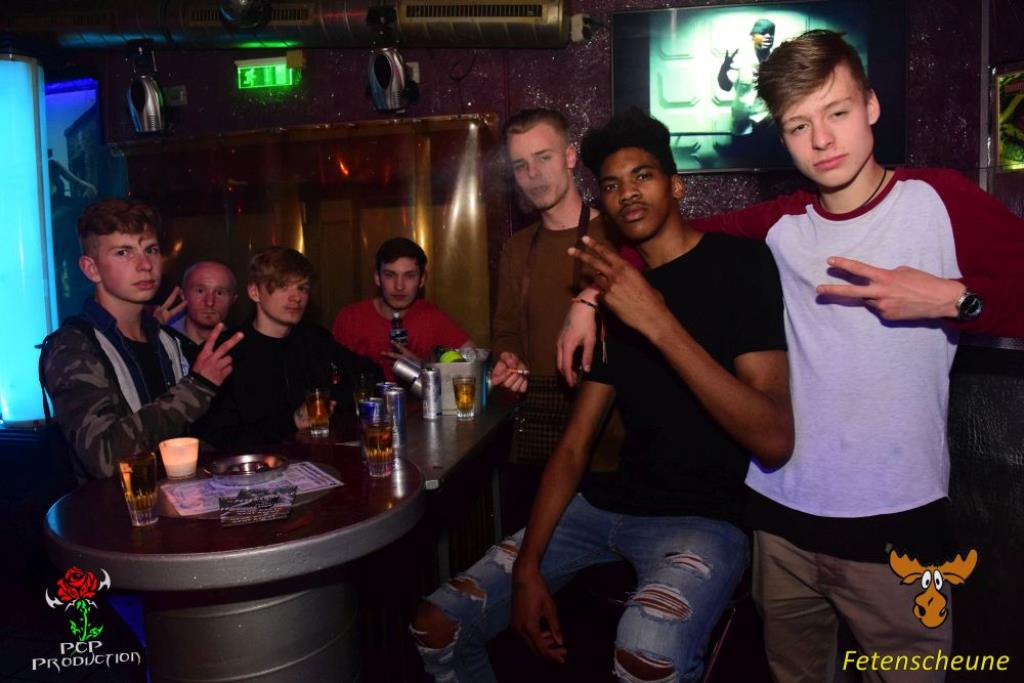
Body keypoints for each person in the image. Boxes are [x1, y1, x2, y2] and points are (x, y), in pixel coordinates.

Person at [558, 30, 1024, 681]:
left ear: (871, 106)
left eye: (837, 112)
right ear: (783, 137)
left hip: (898, 534)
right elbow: (669, 239)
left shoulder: (938, 202)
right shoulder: (780, 225)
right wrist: (589, 296)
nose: (823, 139)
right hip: (780, 530)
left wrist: (955, 298)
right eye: (800, 125)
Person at [410, 109, 793, 682]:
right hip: (605, 505)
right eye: (611, 185)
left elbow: (775, 439)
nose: (626, 193)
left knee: (645, 654)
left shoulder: (741, 266)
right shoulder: (608, 294)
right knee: (436, 623)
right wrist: (528, 569)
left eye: (643, 176)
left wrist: (656, 320)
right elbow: (573, 446)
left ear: (676, 185)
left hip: (704, 518)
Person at [39, 198, 242, 482]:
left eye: (151, 250)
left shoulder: (165, 340)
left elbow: (186, 439)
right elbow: (105, 457)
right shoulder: (74, 347)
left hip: (178, 501)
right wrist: (197, 388)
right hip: (114, 508)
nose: (145, 265)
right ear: (91, 269)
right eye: (123, 252)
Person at [491, 109, 626, 526]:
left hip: (612, 448)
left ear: (569, 157)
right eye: (520, 165)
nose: (532, 174)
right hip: (537, 439)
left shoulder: (616, 235)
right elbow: (506, 330)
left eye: (543, 157)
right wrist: (507, 360)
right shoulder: (516, 249)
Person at [197, 246, 381, 450]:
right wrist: (292, 421)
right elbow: (216, 438)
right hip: (252, 465)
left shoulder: (314, 339)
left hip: (317, 459)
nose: (296, 297)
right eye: (283, 286)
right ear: (254, 292)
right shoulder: (227, 350)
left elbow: (371, 375)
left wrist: (328, 401)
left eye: (303, 288)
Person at [331, 237, 471, 381]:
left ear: (422, 280)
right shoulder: (350, 319)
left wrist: (423, 367)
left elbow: (473, 368)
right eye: (390, 275)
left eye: (409, 276)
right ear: (377, 278)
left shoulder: (433, 319)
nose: (399, 286)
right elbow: (330, 376)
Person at [163, 260, 239, 363]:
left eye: (219, 293)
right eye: (200, 291)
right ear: (183, 295)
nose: (210, 302)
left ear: (233, 299)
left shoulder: (243, 350)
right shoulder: (160, 343)